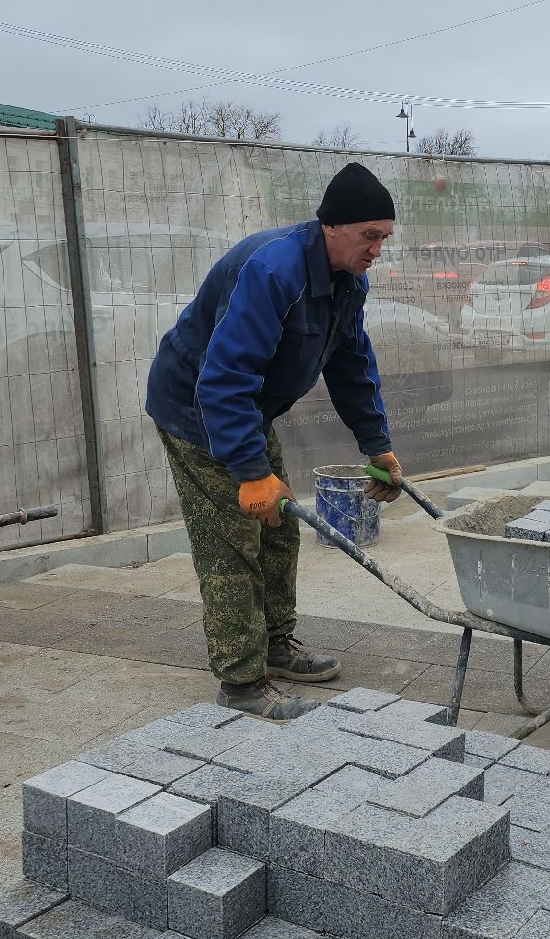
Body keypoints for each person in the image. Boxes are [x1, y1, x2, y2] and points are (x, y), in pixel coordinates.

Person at [145, 162, 407, 720]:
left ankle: (274, 644)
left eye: (384, 238)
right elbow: (222, 378)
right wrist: (247, 470)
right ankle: (241, 679)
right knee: (233, 539)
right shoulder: (274, 271)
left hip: (245, 409)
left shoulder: (346, 282)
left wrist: (376, 446)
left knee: (279, 524)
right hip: (197, 408)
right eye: (370, 236)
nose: (377, 250)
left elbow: (352, 365)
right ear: (333, 227)